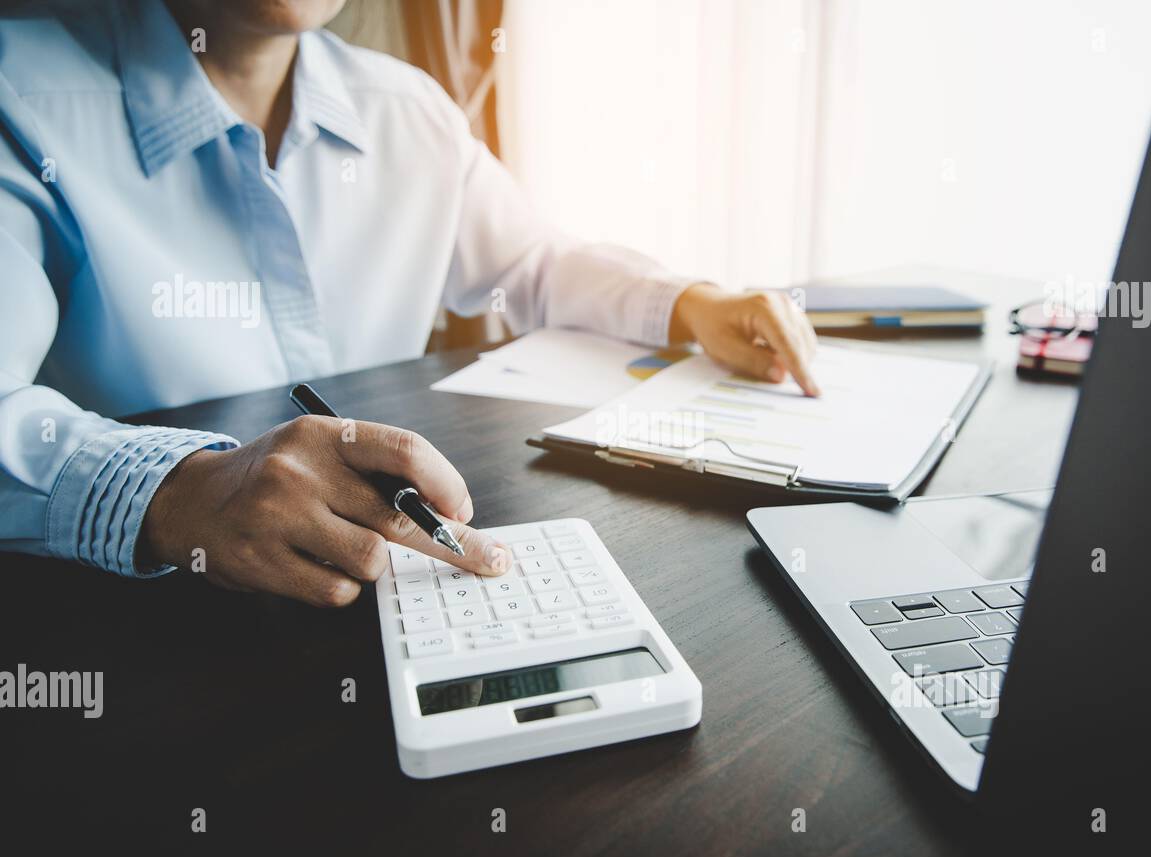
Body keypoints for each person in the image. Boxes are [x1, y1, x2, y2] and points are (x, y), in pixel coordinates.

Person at [0, 0, 820, 607]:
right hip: (136, 628)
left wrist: (689, 303)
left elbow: (532, 264)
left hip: (384, 594)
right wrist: (179, 492)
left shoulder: (411, 109)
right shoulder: (20, 95)